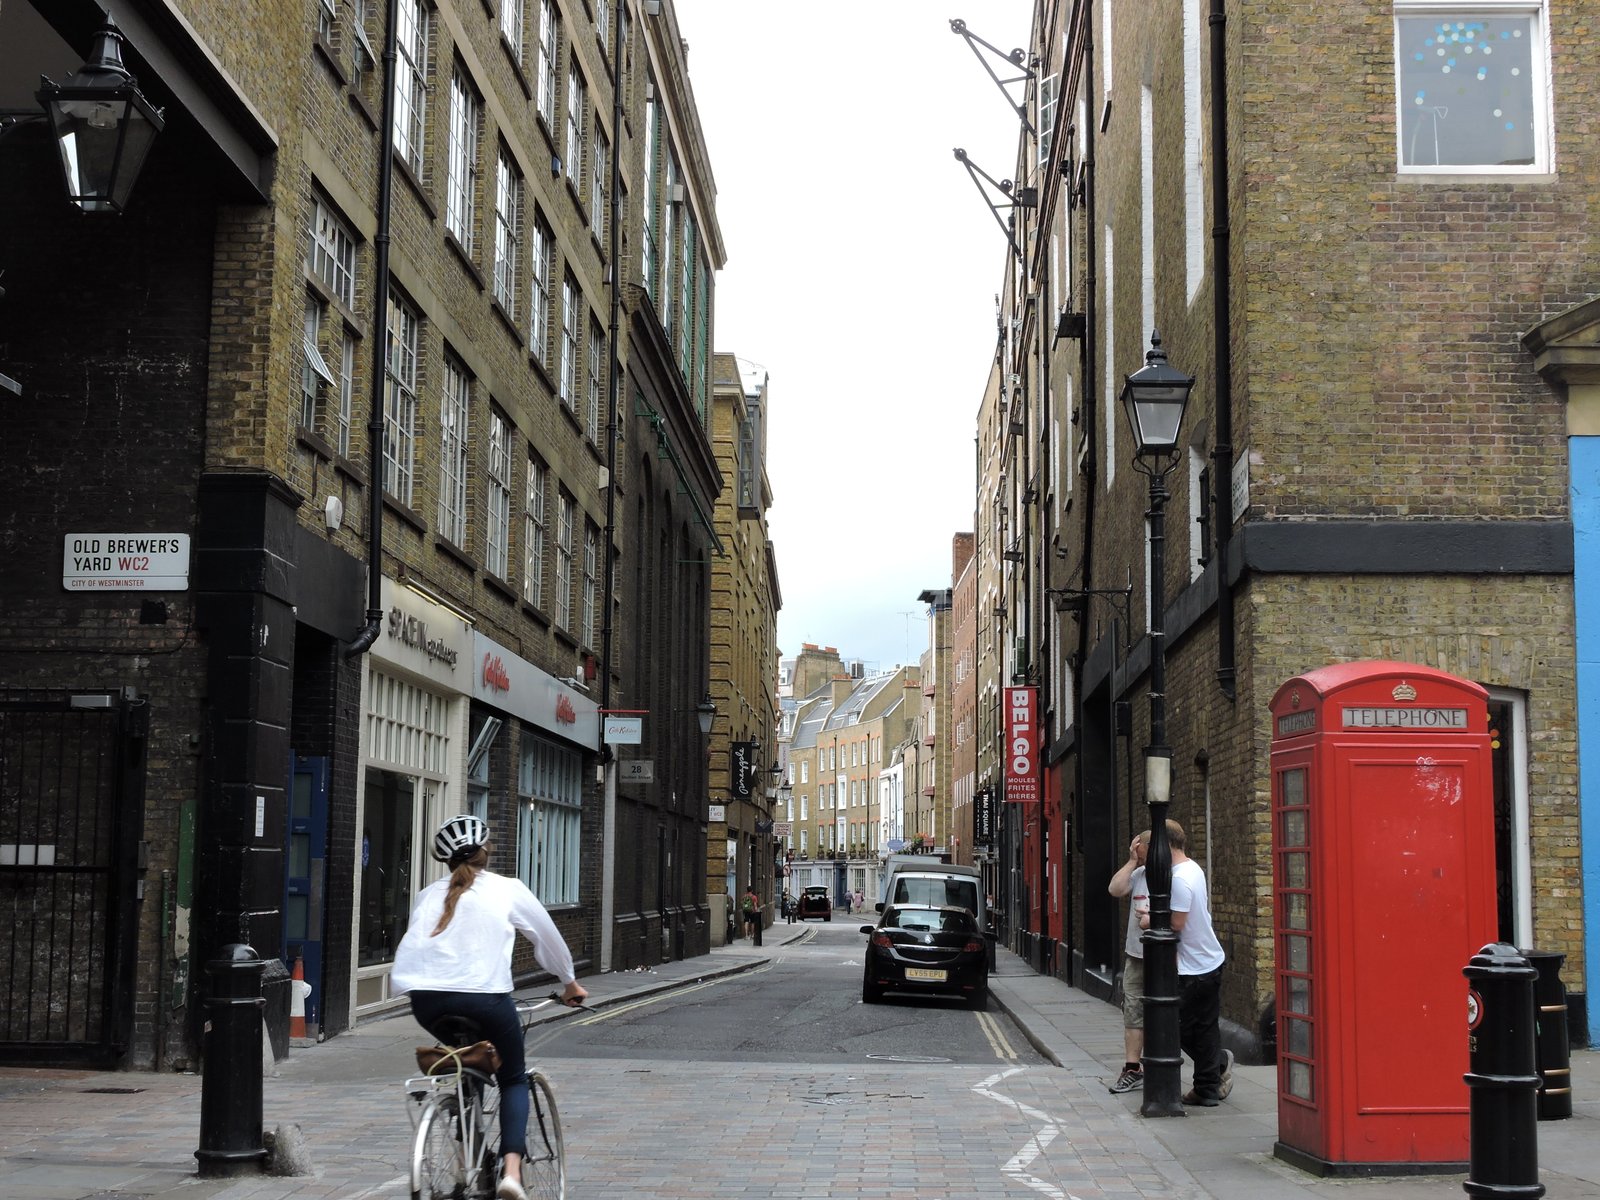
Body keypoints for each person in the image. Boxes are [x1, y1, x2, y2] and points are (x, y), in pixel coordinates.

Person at [392, 815, 588, 1200]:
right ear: (486, 851)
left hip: (425, 1001)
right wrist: (570, 983)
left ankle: (468, 1157)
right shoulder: (507, 888)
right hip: (485, 998)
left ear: (447, 860)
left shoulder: (427, 894)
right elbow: (547, 938)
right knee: (513, 1078)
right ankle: (511, 1174)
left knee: (469, 1063)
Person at [1140, 819, 1232, 1107]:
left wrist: (1149, 919)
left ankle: (1216, 1064)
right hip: (1208, 960)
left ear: (1166, 845)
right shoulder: (1193, 868)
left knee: (1168, 1025)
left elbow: (1176, 922)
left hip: (1192, 968)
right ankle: (1207, 1088)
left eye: (1155, 846)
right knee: (1204, 1027)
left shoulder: (1179, 878)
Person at [1106, 830, 1150, 1093]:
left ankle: (1210, 1065)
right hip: (1135, 956)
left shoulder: (1176, 875)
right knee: (1132, 1011)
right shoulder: (1138, 874)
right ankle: (1133, 1068)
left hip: (1166, 959)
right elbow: (1115, 889)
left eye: (1140, 850)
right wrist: (1132, 861)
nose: (1137, 853)